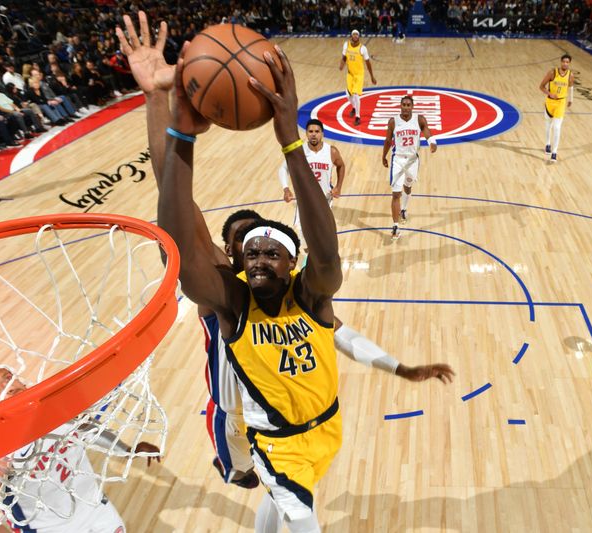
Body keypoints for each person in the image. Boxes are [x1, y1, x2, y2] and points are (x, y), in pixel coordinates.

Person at [117, 13, 454, 500]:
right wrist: (156, 100)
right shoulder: (222, 288)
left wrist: (399, 368)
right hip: (234, 411)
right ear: (226, 253)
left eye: (259, 244)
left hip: (289, 421)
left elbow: (341, 334)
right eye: (239, 244)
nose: (249, 251)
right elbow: (171, 194)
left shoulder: (294, 293)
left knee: (283, 498)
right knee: (252, 485)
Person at [158, 37, 352, 531]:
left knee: (279, 498)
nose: (259, 256)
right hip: (246, 420)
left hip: (317, 428)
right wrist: (172, 124)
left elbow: (327, 255)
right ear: (233, 260)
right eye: (248, 250)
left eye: (272, 250)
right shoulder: (229, 298)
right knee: (284, 502)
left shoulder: (310, 296)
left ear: (293, 261)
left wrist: (292, 142)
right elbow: (181, 231)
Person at [0, 366, 159, 533]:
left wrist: (127, 449)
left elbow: (86, 430)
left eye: (8, 377)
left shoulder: (56, 409)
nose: (8, 386)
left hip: (98, 510)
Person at [278, 118, 345, 250]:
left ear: (322, 133)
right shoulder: (299, 152)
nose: (313, 134)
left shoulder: (331, 151)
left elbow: (341, 166)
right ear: (306, 134)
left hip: (324, 198)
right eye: (310, 131)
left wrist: (338, 187)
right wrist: (286, 189)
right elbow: (283, 168)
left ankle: (319, 254)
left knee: (323, 230)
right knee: (302, 230)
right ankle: (311, 255)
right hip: (304, 198)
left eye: (317, 131)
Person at [381, 95, 437, 240]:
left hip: (412, 160)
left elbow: (426, 130)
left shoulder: (419, 119)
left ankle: (404, 209)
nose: (406, 107)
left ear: (412, 106)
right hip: (398, 160)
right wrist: (384, 156)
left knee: (408, 187)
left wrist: (431, 141)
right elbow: (388, 140)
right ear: (400, 106)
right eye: (403, 105)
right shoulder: (393, 121)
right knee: (395, 194)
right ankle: (395, 226)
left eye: (408, 105)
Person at [538, 53, 574, 163]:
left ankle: (554, 152)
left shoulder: (570, 75)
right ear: (561, 62)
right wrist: (550, 93)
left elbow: (571, 87)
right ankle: (547, 143)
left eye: (567, 62)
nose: (565, 63)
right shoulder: (552, 73)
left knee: (557, 127)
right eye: (564, 61)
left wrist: (571, 99)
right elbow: (541, 86)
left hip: (561, 102)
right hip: (550, 102)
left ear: (569, 63)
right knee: (548, 125)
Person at [338, 29, 376, 126]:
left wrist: (372, 76)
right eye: (353, 34)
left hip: (359, 74)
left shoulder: (363, 48)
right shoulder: (346, 45)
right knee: (348, 94)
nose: (355, 36)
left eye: (357, 35)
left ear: (359, 37)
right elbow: (344, 56)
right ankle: (354, 108)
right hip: (350, 73)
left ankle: (358, 117)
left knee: (355, 94)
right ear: (351, 36)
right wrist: (341, 65)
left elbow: (368, 64)